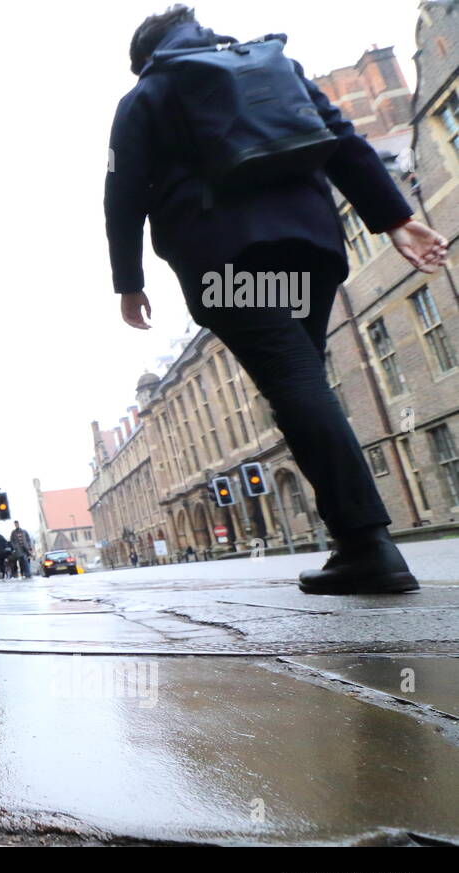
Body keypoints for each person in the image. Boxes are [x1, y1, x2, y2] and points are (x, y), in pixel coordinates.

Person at [106, 6, 447, 595]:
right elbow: (340, 138)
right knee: (300, 380)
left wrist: (128, 281)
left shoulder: (148, 95)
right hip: (311, 251)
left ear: (145, 58)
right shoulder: (273, 64)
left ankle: (368, 544)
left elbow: (123, 192)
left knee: (292, 381)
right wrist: (395, 218)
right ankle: (356, 542)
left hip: (229, 260)